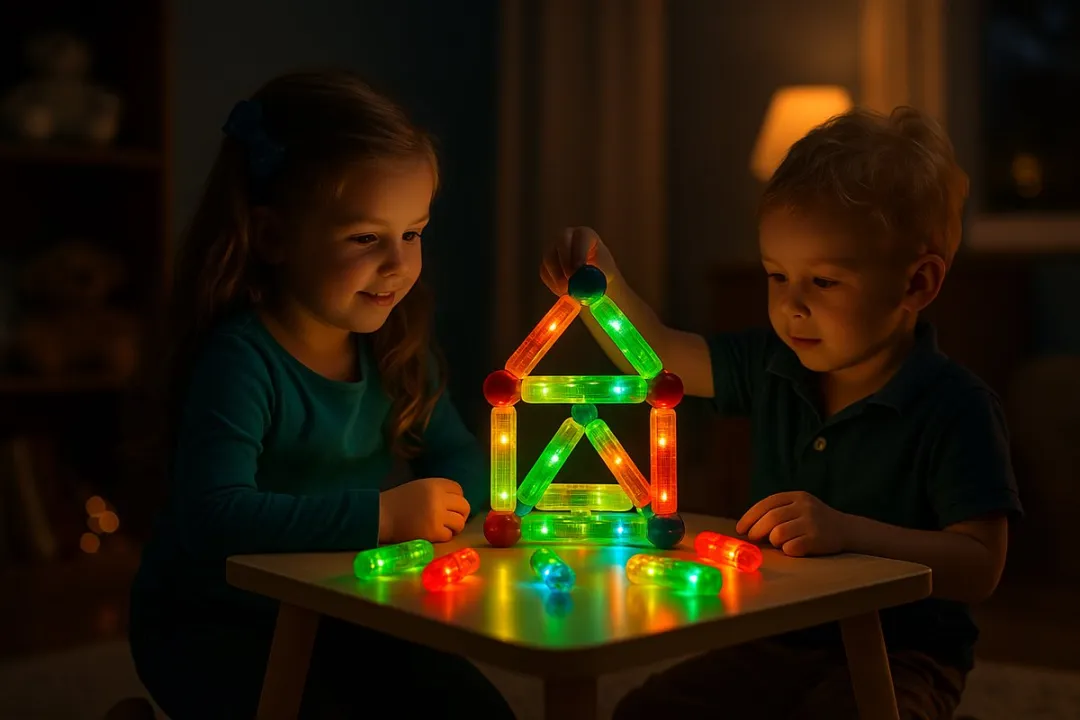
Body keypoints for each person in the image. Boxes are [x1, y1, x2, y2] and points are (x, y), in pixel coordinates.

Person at [542, 106, 1022, 719]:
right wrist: (603, 285)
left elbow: (979, 566)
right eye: (776, 276)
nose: (791, 306)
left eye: (823, 283)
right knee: (647, 712)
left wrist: (847, 532)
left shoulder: (958, 407)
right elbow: (659, 355)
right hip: (776, 635)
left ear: (917, 285)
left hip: (899, 651)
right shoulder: (773, 363)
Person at [129, 70, 513, 719]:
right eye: (365, 238)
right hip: (214, 623)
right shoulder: (240, 360)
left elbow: (459, 457)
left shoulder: (396, 346)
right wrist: (383, 519)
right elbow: (214, 516)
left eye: (412, 233)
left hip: (341, 607)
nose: (397, 265)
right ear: (274, 237)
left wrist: (447, 506)